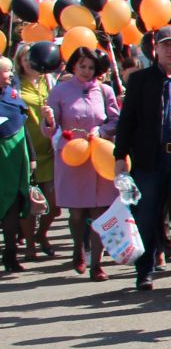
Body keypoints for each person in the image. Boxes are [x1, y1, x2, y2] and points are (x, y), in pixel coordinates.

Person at [113, 26, 171, 295]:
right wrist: (120, 156)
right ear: (155, 48)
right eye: (165, 45)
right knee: (147, 217)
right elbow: (127, 121)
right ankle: (144, 272)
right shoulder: (141, 80)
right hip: (149, 160)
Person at [44, 48, 120, 281]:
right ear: (74, 66)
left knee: (100, 212)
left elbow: (116, 119)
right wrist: (49, 120)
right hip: (73, 157)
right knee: (77, 213)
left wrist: (103, 130)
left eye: (91, 67)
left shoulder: (105, 91)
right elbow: (50, 126)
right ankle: (79, 248)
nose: (86, 71)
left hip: (98, 158)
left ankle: (97, 263)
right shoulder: (60, 91)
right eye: (82, 66)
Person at [15, 44, 57, 261]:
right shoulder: (15, 84)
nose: (30, 62)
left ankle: (42, 234)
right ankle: (30, 244)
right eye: (26, 58)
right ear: (20, 62)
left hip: (49, 147)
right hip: (27, 149)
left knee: (55, 203)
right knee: (29, 204)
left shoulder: (49, 81)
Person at [0, 56, 35, 273]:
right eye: (6, 71)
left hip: (14, 159)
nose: (11, 74)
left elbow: (23, 125)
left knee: (13, 206)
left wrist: (31, 157)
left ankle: (11, 254)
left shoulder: (13, 97)